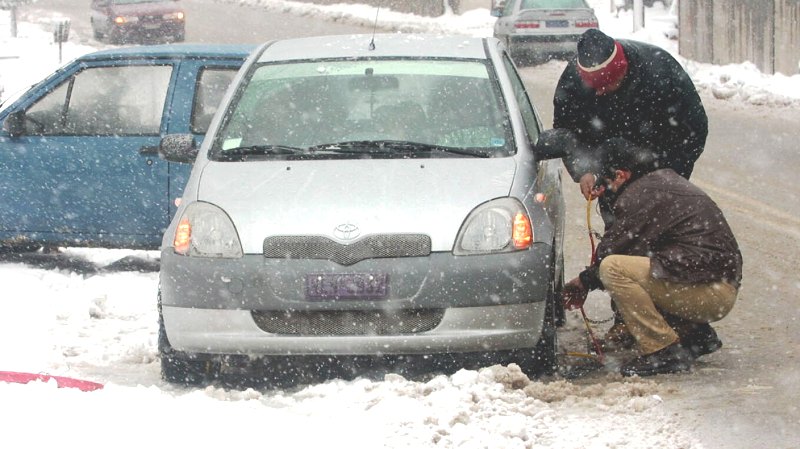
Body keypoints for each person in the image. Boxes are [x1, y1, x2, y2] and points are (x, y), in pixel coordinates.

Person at [560, 138, 742, 377]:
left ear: (621, 175)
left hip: (710, 293)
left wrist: (583, 281)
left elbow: (612, 252)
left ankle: (662, 350)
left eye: (605, 181)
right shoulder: (662, 181)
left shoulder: (641, 195)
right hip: (716, 286)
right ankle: (694, 334)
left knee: (613, 268)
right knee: (645, 265)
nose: (603, 190)